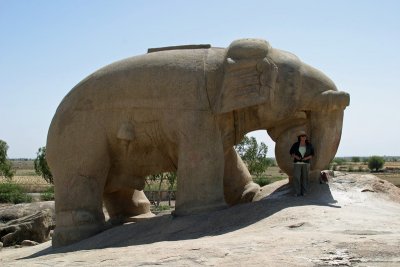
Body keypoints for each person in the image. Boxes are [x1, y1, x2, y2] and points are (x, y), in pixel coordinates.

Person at [289, 130, 314, 196]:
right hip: (297, 163)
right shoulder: (295, 144)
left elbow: (312, 154)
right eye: (302, 136)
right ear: (300, 137)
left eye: (305, 136)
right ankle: (297, 192)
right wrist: (296, 156)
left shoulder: (309, 145)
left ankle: (304, 192)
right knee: (296, 177)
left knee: (305, 178)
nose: (304, 137)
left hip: (306, 163)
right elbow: (291, 152)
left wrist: (306, 158)